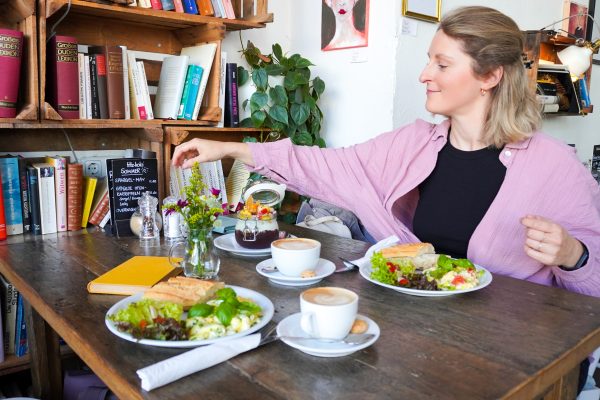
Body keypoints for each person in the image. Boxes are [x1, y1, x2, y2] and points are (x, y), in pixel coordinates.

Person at [172, 7, 599, 299]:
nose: (424, 75)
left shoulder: (553, 165)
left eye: (442, 65)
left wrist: (572, 256)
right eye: (429, 60)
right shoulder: (413, 143)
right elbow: (326, 165)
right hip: (422, 329)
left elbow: (594, 280)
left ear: (489, 76)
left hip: (515, 348)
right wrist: (225, 148)